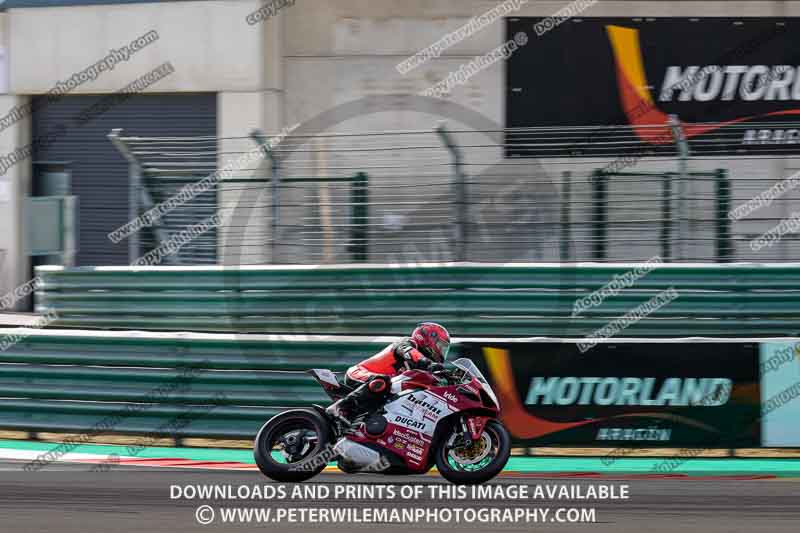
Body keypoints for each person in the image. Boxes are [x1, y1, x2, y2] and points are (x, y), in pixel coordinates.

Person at [325, 322, 451, 422]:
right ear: (428, 339)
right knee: (383, 381)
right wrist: (429, 364)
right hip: (359, 373)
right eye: (440, 346)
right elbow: (410, 353)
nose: (441, 352)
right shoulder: (407, 343)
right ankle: (340, 406)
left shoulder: (422, 368)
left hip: (380, 389)